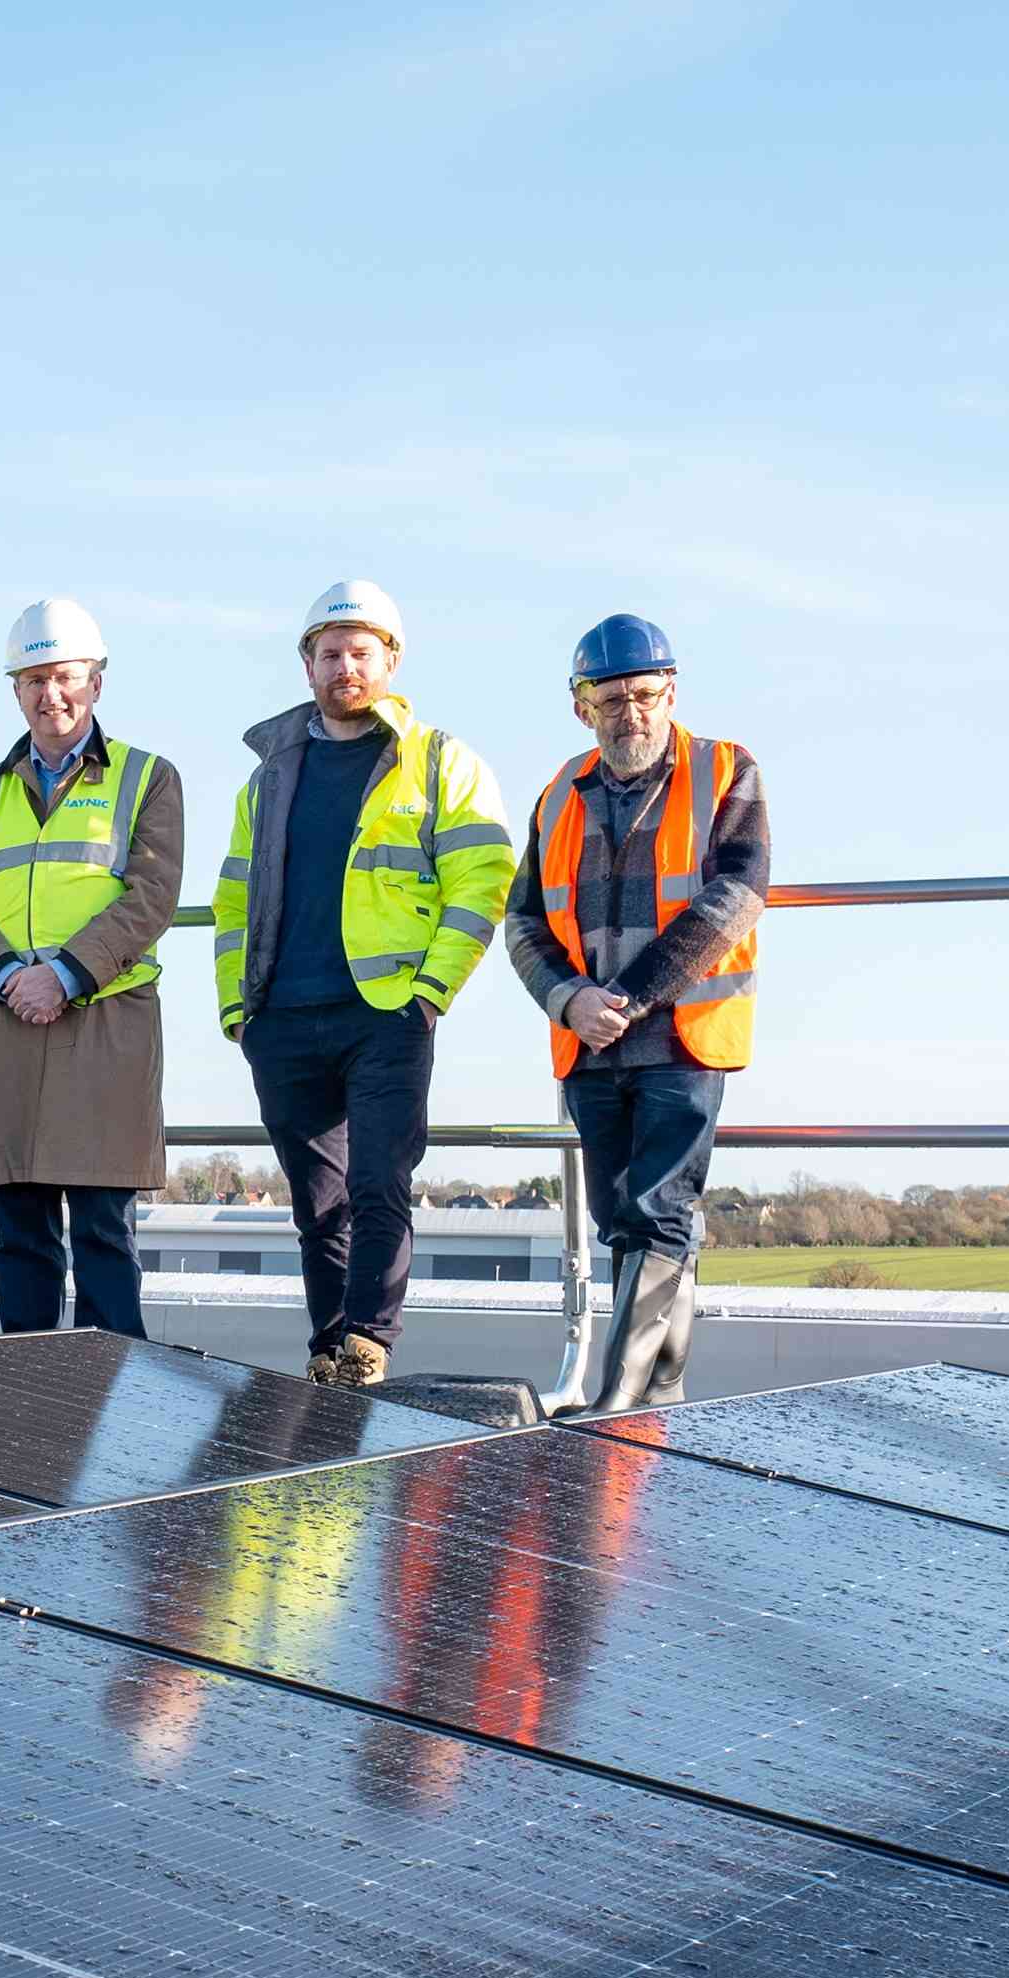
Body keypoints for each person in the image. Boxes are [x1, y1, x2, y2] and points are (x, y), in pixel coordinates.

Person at [205, 581, 515, 1387]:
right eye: (330, 652)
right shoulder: (270, 775)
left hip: (387, 1012)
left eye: (360, 651)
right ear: (307, 664)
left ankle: (369, 1344)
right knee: (318, 1204)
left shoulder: (441, 760)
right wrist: (239, 1007)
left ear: (391, 660)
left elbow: (483, 879)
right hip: (283, 1014)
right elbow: (234, 896)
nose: (346, 665)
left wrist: (430, 991)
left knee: (380, 1179)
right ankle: (327, 1348)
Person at [508, 612, 769, 1410]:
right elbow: (521, 922)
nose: (633, 713)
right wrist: (570, 999)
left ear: (672, 691)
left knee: (659, 1214)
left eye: (646, 695)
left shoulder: (725, 769)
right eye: (612, 699)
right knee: (625, 1224)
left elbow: (738, 894)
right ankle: (662, 1396)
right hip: (590, 1046)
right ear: (582, 705)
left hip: (684, 1039)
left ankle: (616, 1402)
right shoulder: (560, 794)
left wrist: (629, 995)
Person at [0, 597, 187, 1336]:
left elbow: (151, 896)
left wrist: (66, 975)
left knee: (105, 1236)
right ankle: (28, 1414)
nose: (52, 695)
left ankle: (119, 1417)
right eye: (34, 680)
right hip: (7, 1026)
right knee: (22, 1241)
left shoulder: (148, 778)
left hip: (104, 1029)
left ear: (97, 682)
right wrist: (10, 976)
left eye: (66, 677)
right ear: (15, 690)